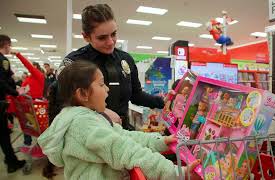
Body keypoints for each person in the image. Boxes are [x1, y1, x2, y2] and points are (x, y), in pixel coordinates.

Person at [38, 60, 200, 180]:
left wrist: (162, 140)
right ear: (83, 94)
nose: (107, 89)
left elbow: (125, 136)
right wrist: (177, 173)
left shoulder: (88, 117)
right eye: (101, 85)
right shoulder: (84, 125)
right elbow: (127, 150)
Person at [54, 3, 164, 130]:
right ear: (86, 36)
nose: (111, 42)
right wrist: (99, 113)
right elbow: (60, 104)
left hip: (123, 131)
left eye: (114, 34)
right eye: (102, 38)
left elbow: (136, 95)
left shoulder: (125, 59)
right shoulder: (75, 62)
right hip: (90, 134)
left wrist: (163, 101)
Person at [0, 34, 26, 173]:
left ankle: (9, 158)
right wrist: (16, 92)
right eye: (10, 45)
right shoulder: (3, 60)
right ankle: (12, 162)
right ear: (6, 44)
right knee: (3, 134)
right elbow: (2, 82)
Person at [12, 52, 45, 147]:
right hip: (26, 103)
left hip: (36, 103)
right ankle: (27, 142)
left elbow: (28, 65)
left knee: (38, 126)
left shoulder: (39, 75)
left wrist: (18, 55)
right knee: (25, 123)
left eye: (33, 67)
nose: (30, 69)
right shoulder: (29, 78)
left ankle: (41, 144)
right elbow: (24, 89)